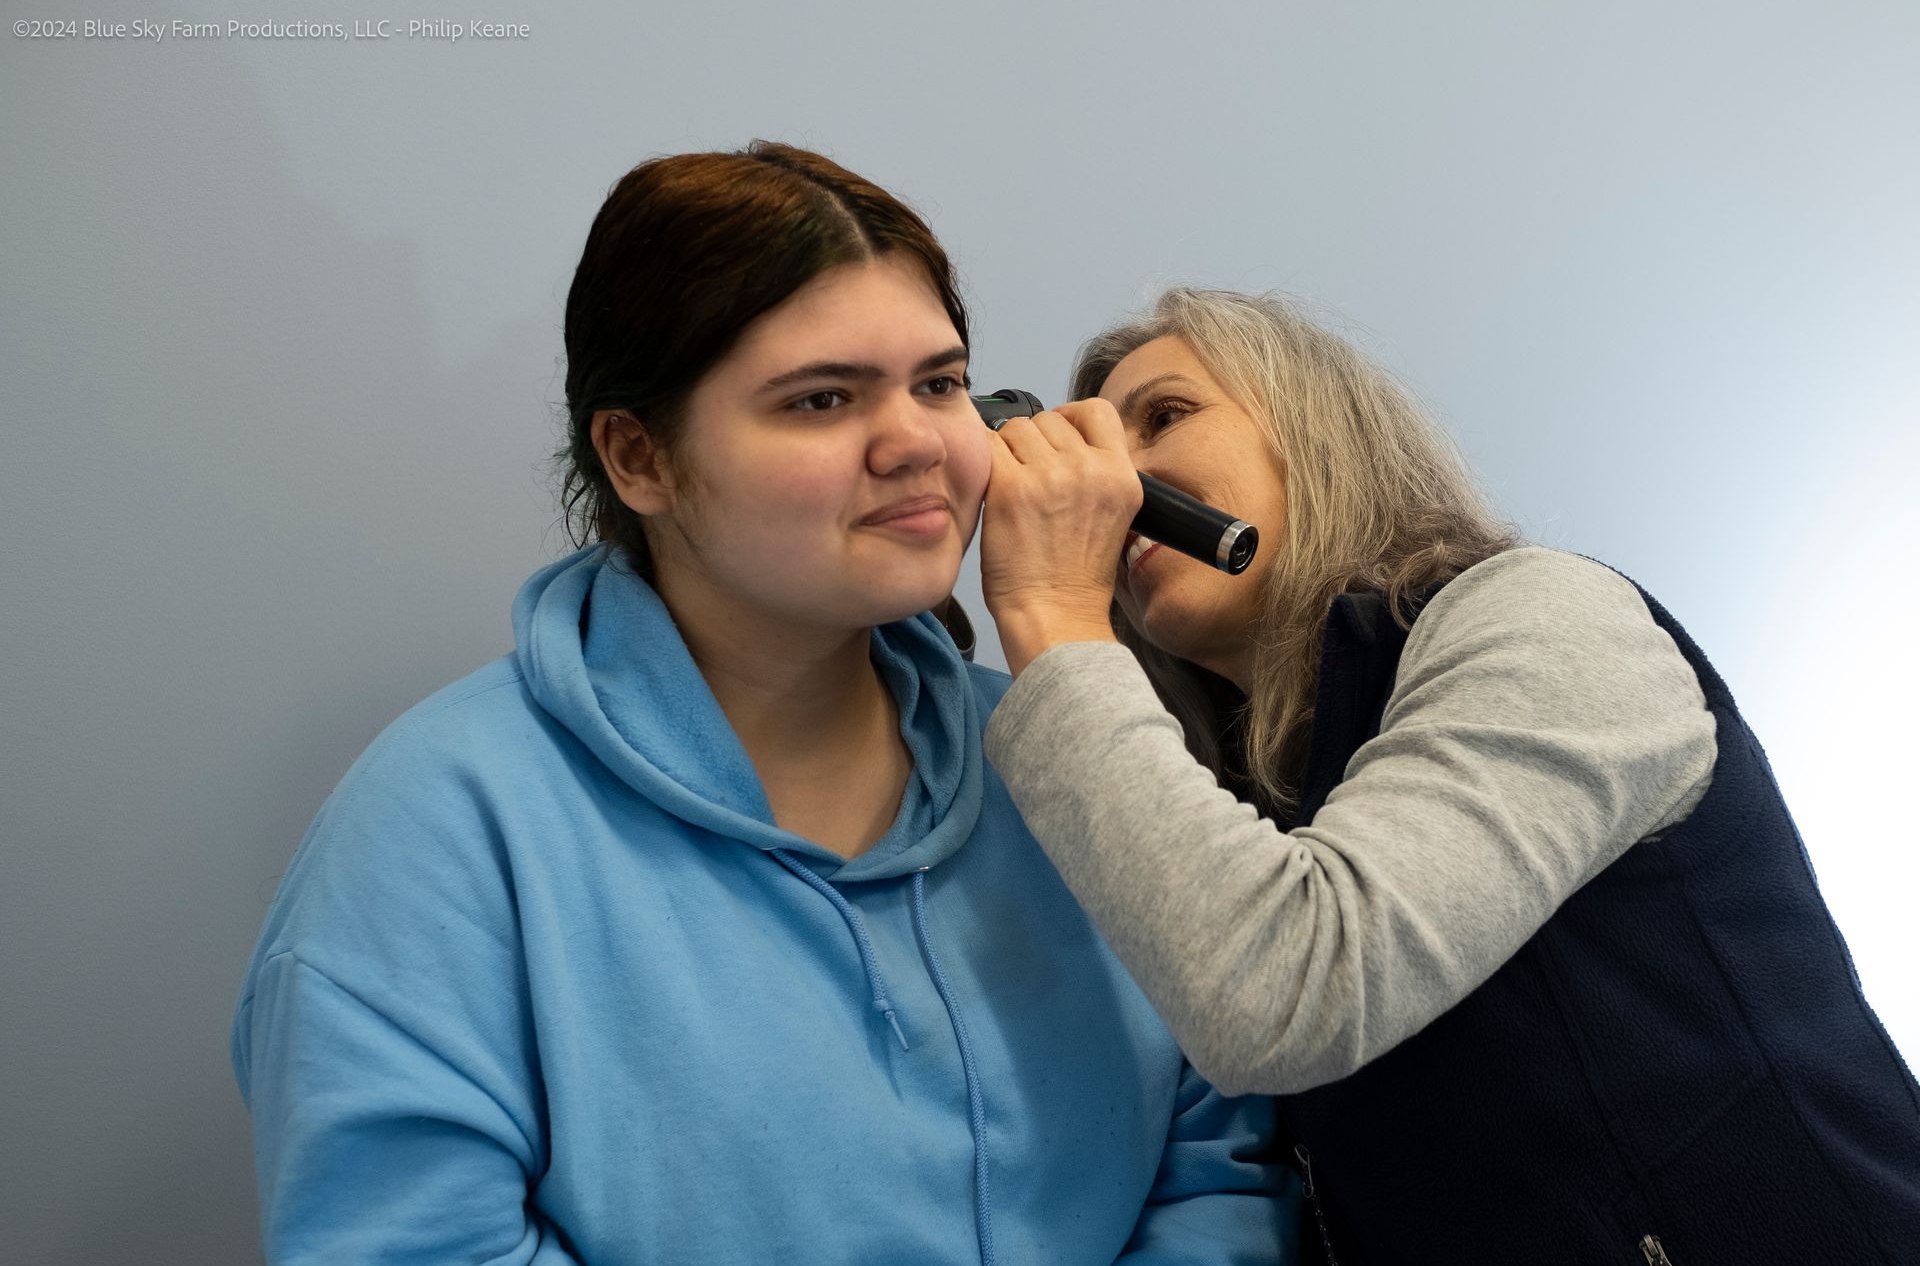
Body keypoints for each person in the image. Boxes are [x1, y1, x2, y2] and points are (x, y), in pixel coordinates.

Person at [230, 148, 1295, 1265]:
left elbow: (1218, 1162)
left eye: (939, 383)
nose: (917, 443)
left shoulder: (1073, 768)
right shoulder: (440, 832)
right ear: (638, 456)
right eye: (823, 399)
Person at [977, 287, 1920, 1265]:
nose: (1112, 475)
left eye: (1166, 415)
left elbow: (1287, 986)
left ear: (1316, 431)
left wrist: (1051, 609)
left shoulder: (1539, 616)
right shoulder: (1235, 818)